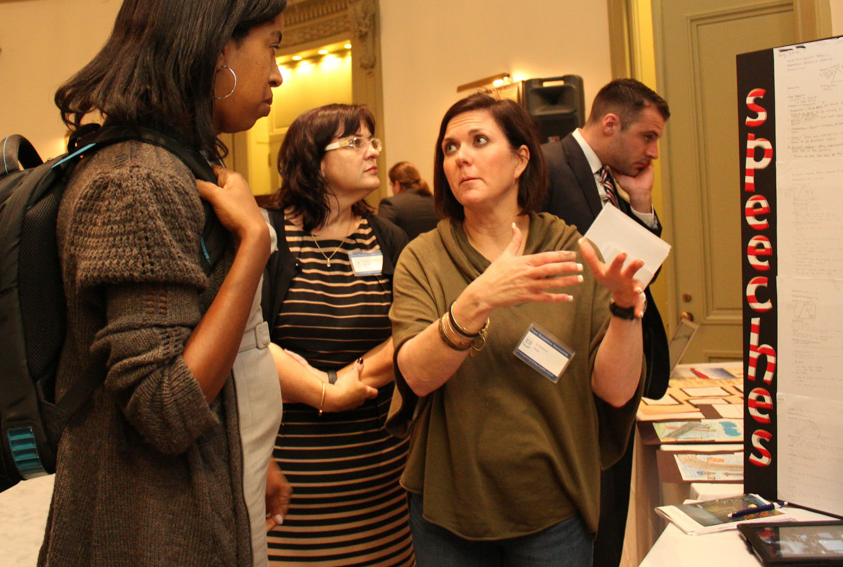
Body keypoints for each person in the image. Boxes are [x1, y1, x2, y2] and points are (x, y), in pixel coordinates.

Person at [39, 0, 291, 567]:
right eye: (273, 47)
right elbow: (165, 408)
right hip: (151, 530)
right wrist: (253, 249)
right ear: (217, 50)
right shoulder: (137, 180)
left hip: (191, 501)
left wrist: (251, 454)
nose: (279, 74)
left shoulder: (170, 165)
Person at [387, 92, 647, 566]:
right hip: (447, 511)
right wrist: (480, 298)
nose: (461, 156)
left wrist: (627, 309)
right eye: (449, 148)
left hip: (553, 510)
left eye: (479, 141)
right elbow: (416, 375)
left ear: (521, 158)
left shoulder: (571, 249)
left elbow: (613, 391)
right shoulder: (422, 257)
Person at [262, 103, 416, 566]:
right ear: (312, 158)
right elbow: (244, 340)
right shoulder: (267, 235)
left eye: (372, 141)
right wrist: (325, 392)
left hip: (377, 466)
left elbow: (411, 331)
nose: (372, 152)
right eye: (355, 143)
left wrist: (353, 376)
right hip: (287, 465)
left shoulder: (387, 237)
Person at [539, 77, 671, 567]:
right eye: (648, 137)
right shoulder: (547, 165)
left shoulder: (614, 177)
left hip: (614, 363)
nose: (653, 152)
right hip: (569, 374)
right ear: (611, 123)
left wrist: (639, 203)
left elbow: (636, 278)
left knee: (610, 525)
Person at [378, 161, 440, 240]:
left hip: (405, 252)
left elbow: (383, 238)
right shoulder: (437, 202)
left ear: (397, 185)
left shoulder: (390, 204)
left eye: (391, 185)